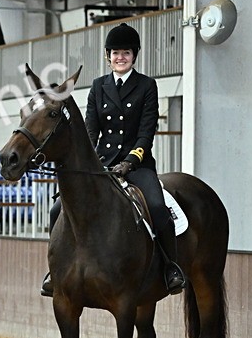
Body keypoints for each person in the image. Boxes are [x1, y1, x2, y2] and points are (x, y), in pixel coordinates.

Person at [41, 23, 185, 297]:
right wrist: (89, 161)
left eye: (126, 53)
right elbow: (90, 130)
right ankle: (56, 270)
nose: (121, 57)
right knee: (57, 208)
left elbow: (146, 131)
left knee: (156, 206)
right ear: (108, 55)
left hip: (136, 165)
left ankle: (170, 268)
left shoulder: (147, 86)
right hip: (103, 165)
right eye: (116, 53)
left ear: (134, 55)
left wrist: (130, 161)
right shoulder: (98, 86)